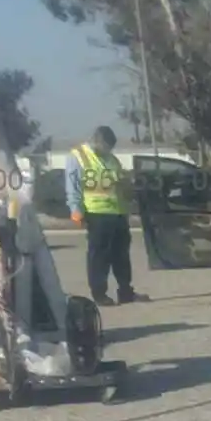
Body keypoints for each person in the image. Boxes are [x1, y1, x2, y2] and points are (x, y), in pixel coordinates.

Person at [65, 125, 141, 306]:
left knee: (121, 255)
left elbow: (119, 183)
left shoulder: (111, 158)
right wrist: (75, 209)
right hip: (96, 213)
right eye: (107, 147)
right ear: (97, 141)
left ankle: (125, 291)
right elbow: (72, 185)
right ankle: (99, 294)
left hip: (118, 212)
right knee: (99, 256)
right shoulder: (77, 156)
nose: (109, 151)